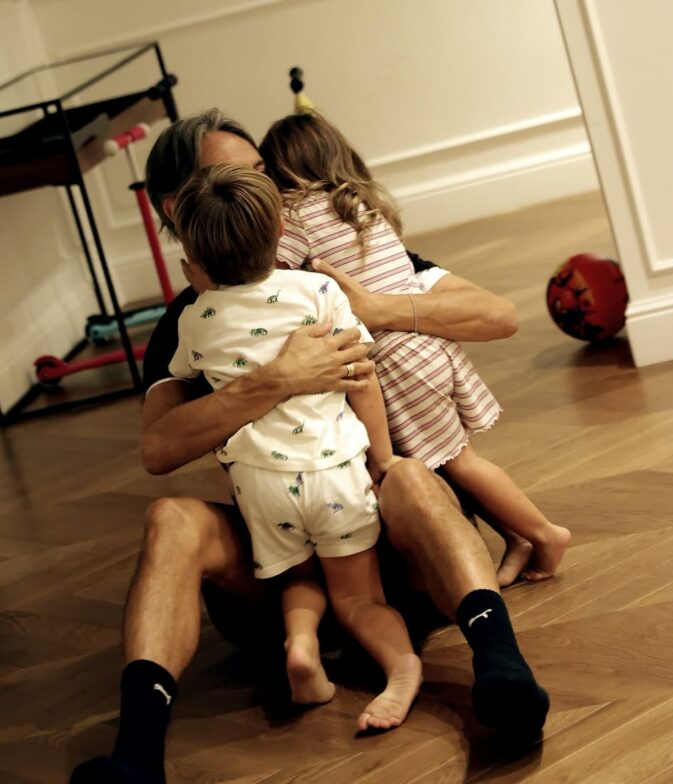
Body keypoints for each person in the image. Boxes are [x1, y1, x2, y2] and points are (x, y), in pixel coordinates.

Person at [71, 109, 549, 784]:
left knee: (411, 476)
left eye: (261, 173)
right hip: (275, 573)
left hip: (393, 553)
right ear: (181, 209)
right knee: (170, 519)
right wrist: (275, 380)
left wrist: (375, 307)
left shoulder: (331, 269)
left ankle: (503, 669)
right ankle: (137, 754)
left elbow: (498, 314)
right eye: (234, 176)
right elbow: (158, 448)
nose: (266, 191)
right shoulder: (190, 319)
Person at [259, 111, 571, 584]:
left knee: (458, 463)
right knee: (447, 458)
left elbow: (267, 272)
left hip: (396, 358)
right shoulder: (360, 206)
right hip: (427, 345)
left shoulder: (297, 216)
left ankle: (545, 534)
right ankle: (518, 537)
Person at [169, 162, 421, 731]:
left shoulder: (195, 321)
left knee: (299, 579)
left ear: (193, 258)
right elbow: (361, 377)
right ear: (282, 230)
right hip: (334, 470)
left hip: (261, 484)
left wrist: (205, 292)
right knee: (360, 599)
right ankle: (402, 668)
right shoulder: (319, 292)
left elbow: (185, 372)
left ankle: (302, 644)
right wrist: (382, 459)